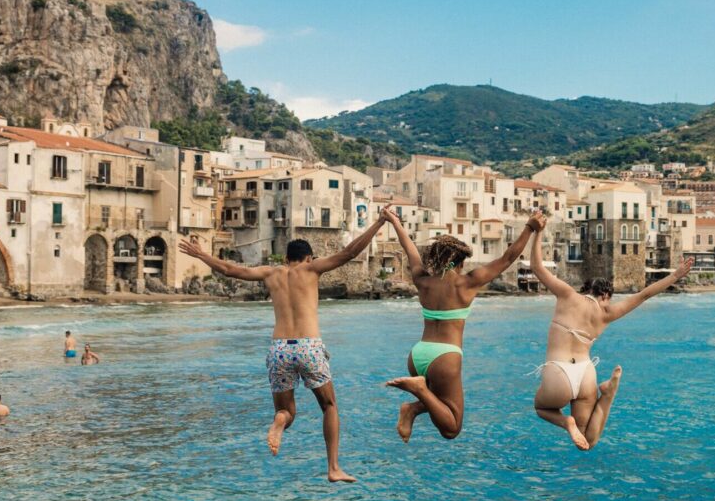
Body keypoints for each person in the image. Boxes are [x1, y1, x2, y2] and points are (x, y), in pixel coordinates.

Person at [178, 206, 393, 483]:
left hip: (279, 348)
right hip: (308, 346)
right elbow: (350, 253)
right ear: (307, 258)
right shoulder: (312, 269)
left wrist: (202, 254)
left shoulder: (271, 273)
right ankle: (333, 468)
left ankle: (279, 421)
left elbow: (230, 270)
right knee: (329, 406)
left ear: (286, 258)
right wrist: (378, 222)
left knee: (286, 410)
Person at [384, 209, 546, 442]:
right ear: (459, 263)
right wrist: (529, 227)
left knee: (438, 401)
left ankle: (411, 408)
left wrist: (395, 222)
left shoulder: (422, 280)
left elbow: (408, 248)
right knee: (452, 428)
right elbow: (508, 258)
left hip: (418, 354)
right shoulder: (467, 282)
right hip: (445, 356)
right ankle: (418, 390)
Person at [529, 220, 693, 450]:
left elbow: (537, 267)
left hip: (559, 372)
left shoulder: (568, 295)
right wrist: (675, 276)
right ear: (606, 295)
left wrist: (537, 232)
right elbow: (644, 295)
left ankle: (566, 422)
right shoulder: (608, 313)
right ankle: (608, 393)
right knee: (588, 441)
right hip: (586, 374)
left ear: (587, 290)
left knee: (541, 408)